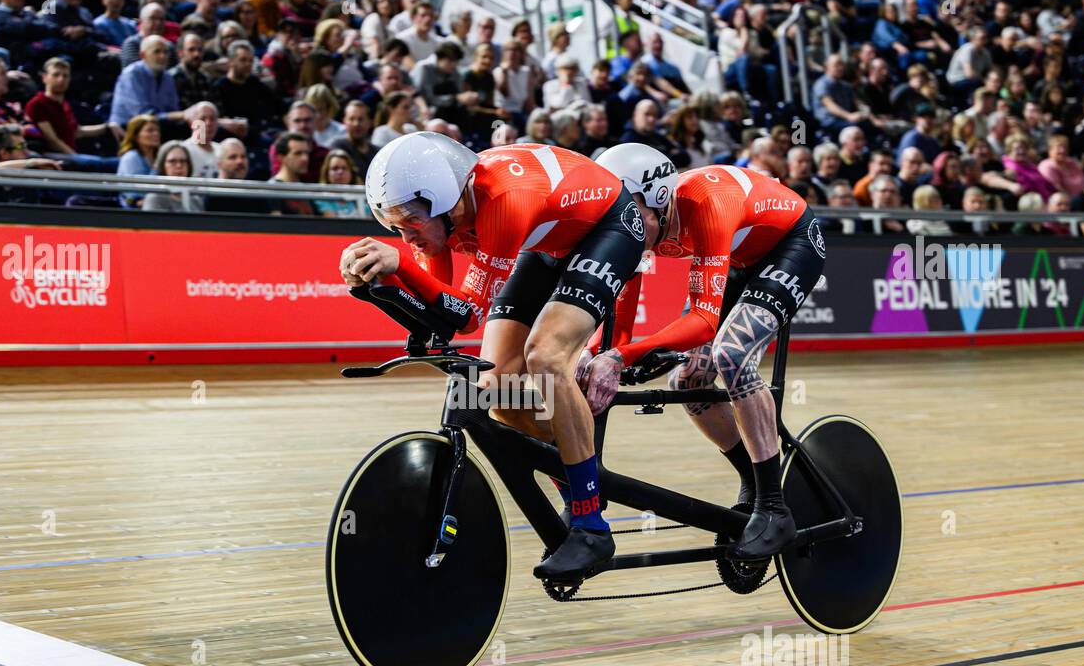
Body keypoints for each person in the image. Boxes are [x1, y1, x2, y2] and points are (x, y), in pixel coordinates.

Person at [339, 132, 667, 580]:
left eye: (411, 222)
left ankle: (592, 525)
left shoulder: (501, 201)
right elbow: (446, 311)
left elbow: (469, 314)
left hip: (609, 227)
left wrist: (401, 266)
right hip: (550, 240)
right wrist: (378, 288)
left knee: (546, 358)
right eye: (394, 227)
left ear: (447, 203)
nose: (405, 236)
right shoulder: (448, 213)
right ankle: (574, 475)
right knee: (495, 388)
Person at [582, 153, 826, 559]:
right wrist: (595, 355)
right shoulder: (643, 222)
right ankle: (754, 477)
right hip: (743, 255)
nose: (622, 222)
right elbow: (619, 324)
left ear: (660, 197)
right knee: (688, 381)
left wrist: (623, 356)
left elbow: (702, 322)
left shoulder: (705, 203)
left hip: (792, 244)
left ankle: (774, 508)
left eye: (629, 212)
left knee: (731, 355)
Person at [142, 140, 202, 211]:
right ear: (162, 165)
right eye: (172, 161)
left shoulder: (195, 197)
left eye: (183, 161)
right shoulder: (155, 197)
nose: (179, 166)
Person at [117, 114, 162, 207]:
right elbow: (135, 195)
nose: (156, 134)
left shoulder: (160, 155)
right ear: (135, 135)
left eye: (157, 130)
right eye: (150, 130)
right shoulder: (131, 157)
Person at [314, 148, 363, 217]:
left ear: (351, 172)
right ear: (326, 173)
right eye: (335, 168)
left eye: (344, 168)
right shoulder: (322, 198)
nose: (340, 172)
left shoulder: (362, 196)